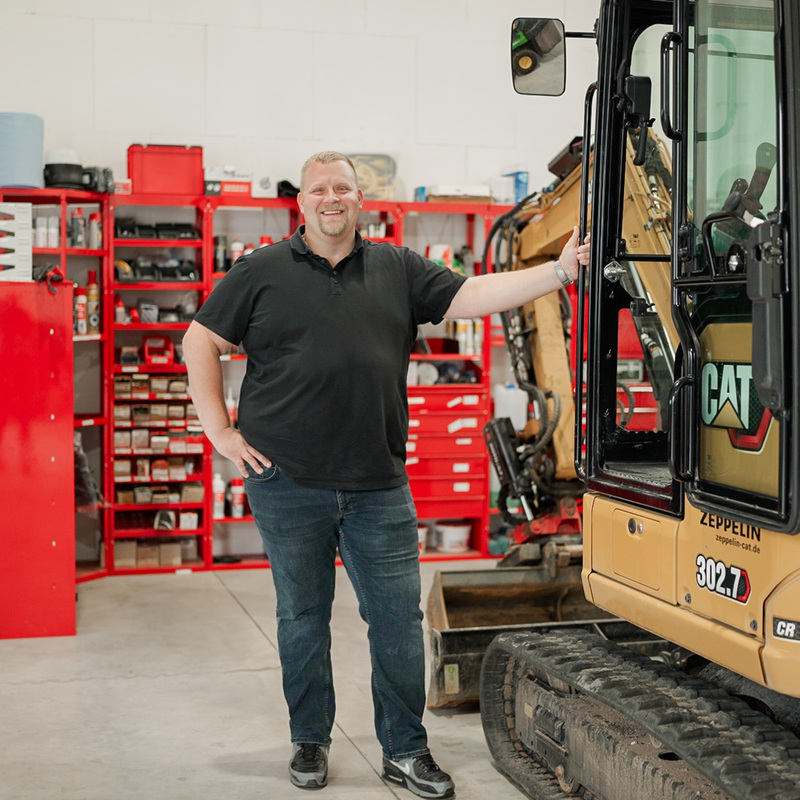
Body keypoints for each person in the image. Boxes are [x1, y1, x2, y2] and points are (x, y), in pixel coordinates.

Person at [182, 151, 590, 799]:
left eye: (343, 187)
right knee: (302, 616)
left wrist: (558, 271)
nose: (332, 197)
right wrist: (219, 432)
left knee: (397, 620)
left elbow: (471, 295)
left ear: (359, 199)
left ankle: (405, 749)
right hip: (286, 481)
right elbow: (199, 340)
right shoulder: (259, 270)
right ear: (301, 202)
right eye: (320, 188)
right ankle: (310, 740)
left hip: (378, 480)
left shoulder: (397, 267)